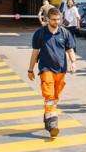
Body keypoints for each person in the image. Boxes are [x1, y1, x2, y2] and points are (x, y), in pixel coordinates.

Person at [27, 8, 76, 137]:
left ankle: (48, 116)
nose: (57, 22)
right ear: (47, 19)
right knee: (49, 96)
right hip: (46, 69)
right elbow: (35, 53)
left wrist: (73, 62)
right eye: (54, 19)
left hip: (61, 70)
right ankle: (52, 123)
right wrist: (30, 69)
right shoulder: (40, 34)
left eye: (58, 19)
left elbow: (70, 50)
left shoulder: (65, 33)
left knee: (55, 96)